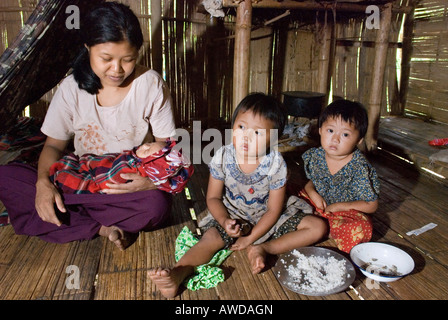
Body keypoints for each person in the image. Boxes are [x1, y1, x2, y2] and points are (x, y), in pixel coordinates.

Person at [0, 2, 177, 250]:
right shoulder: (72, 88)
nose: (117, 69)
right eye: (106, 58)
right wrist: (43, 184)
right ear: (88, 47)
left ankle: (75, 221)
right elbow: (53, 145)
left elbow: (169, 146)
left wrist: (152, 182)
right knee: (7, 177)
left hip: (125, 186)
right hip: (79, 180)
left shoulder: (150, 84)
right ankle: (101, 225)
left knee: (156, 205)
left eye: (128, 59)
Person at [149, 93, 327, 298]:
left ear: (275, 138)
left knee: (317, 226)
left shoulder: (276, 164)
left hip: (268, 216)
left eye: (258, 133)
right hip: (233, 212)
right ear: (233, 126)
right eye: (241, 127)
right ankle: (178, 273)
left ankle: (265, 248)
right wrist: (225, 221)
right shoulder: (223, 157)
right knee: (211, 237)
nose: (246, 136)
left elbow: (274, 209)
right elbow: (213, 198)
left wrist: (251, 238)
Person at [300, 99, 380, 253]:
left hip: (345, 212)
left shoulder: (358, 167)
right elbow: (311, 182)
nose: (335, 139)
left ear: (359, 140)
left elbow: (371, 205)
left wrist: (339, 207)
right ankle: (322, 225)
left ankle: (322, 227)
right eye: (330, 131)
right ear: (320, 130)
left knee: (360, 229)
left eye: (345, 134)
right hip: (318, 203)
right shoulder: (316, 156)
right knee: (287, 194)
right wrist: (312, 192)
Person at [50, 139, 193, 195]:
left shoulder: (134, 168)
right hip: (91, 166)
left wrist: (152, 183)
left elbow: (111, 178)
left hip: (99, 184)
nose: (143, 145)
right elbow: (107, 163)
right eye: (148, 143)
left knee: (156, 205)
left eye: (147, 150)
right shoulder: (131, 158)